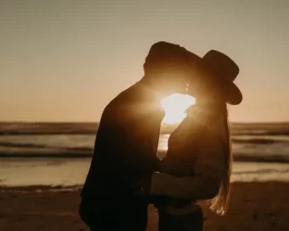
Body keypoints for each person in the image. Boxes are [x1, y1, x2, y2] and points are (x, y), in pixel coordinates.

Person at [79, 41, 201, 231]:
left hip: (112, 201)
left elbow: (137, 156)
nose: (186, 78)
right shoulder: (140, 105)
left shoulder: (143, 100)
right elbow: (131, 164)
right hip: (114, 205)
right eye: (181, 70)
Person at [135, 50, 242, 231]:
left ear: (209, 83)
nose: (191, 78)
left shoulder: (210, 125)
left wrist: (155, 183)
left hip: (181, 221)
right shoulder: (198, 118)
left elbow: (207, 185)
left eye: (198, 74)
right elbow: (183, 163)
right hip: (175, 217)